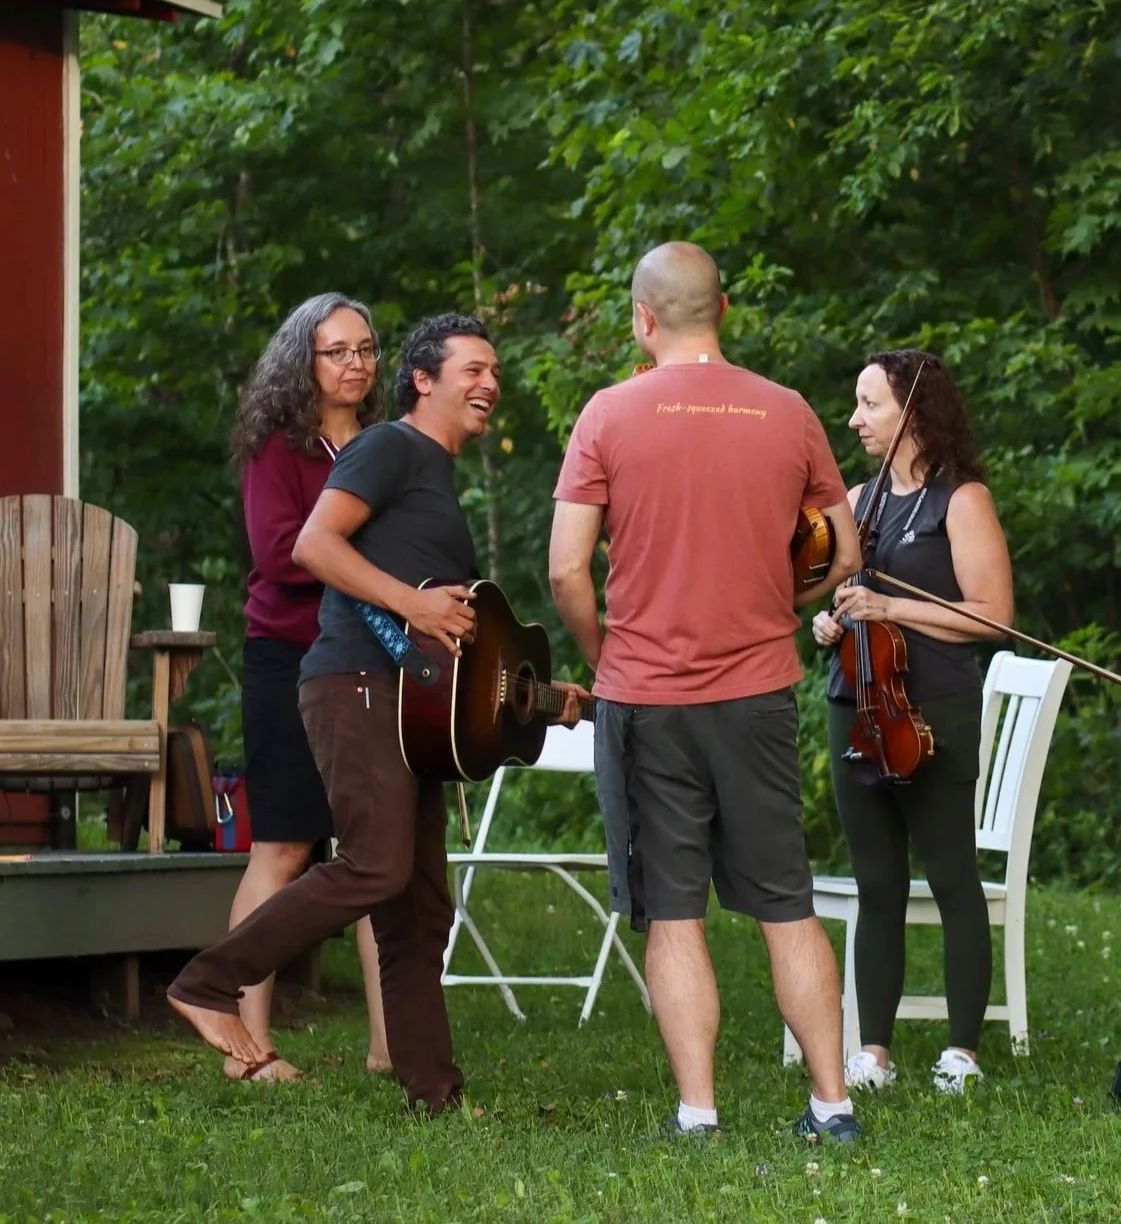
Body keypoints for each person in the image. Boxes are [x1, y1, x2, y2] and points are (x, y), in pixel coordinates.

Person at [169, 313, 588, 1112]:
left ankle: (432, 1090)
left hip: (417, 708)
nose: (490, 383)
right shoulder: (388, 447)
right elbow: (313, 546)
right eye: (472, 368)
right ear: (422, 379)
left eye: (495, 369)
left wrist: (543, 699)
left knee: (419, 908)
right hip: (354, 687)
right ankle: (207, 981)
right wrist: (410, 605)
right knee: (374, 864)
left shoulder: (435, 473)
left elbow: (456, 636)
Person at [548, 241, 864, 1142]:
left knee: (674, 909)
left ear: (643, 318)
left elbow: (568, 569)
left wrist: (605, 653)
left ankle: (698, 1113)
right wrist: (783, 598)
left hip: (645, 698)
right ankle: (831, 1103)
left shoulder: (607, 414)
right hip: (759, 690)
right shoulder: (789, 410)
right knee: (786, 902)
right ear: (722, 308)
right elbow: (845, 551)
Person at [810, 350, 1014, 1095]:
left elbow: (992, 616)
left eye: (869, 404)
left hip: (933, 710)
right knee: (877, 882)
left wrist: (892, 607)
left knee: (952, 876)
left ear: (914, 414)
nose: (855, 419)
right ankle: (874, 1050)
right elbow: (834, 597)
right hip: (853, 705)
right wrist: (829, 624)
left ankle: (962, 1049)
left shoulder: (961, 501)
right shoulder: (858, 501)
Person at [225, 292, 391, 1082]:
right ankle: (245, 1049)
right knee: (284, 847)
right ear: (303, 360)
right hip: (288, 660)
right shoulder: (276, 450)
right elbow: (282, 550)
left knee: (377, 851)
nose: (355, 363)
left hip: (374, 664)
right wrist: (367, 559)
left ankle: (391, 1048)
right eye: (337, 351)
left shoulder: (386, 445)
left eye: (365, 349)